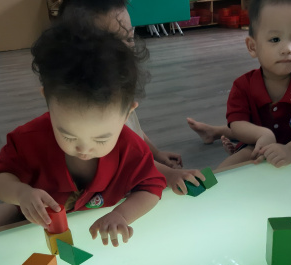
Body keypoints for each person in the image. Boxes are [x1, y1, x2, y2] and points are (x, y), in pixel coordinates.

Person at [0, 22, 167, 246]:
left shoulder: (132, 149)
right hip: (31, 216)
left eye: (101, 139)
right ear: (47, 101)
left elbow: (152, 187)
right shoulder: (29, 139)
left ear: (127, 114)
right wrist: (20, 193)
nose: (84, 148)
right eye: (68, 136)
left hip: (82, 223)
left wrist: (121, 215)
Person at [58, 0, 205, 195]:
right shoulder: (92, 104)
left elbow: (132, 129)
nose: (127, 49)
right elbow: (125, 154)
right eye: (112, 42)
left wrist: (155, 153)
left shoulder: (117, 83)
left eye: (129, 37)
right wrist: (169, 174)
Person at [216, 0, 291, 170]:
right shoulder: (242, 86)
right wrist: (262, 134)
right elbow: (237, 123)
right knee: (224, 171)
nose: (288, 49)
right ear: (253, 47)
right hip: (256, 149)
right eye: (275, 39)